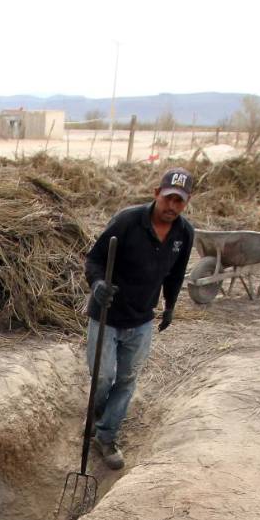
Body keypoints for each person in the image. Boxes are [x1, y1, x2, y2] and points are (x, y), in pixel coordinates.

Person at [81, 167, 196, 470]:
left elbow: (176, 274)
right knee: (103, 376)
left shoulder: (184, 234)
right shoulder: (127, 221)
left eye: (179, 202)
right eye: (169, 198)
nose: (172, 206)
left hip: (141, 319)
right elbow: (93, 259)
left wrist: (170, 306)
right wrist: (97, 285)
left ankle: (106, 436)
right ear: (157, 194)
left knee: (128, 379)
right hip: (106, 314)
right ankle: (96, 414)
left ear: (186, 203)